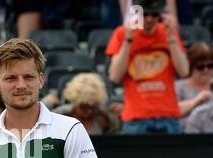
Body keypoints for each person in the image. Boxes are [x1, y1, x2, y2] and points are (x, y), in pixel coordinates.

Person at [106, 0, 189, 134]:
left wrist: (171, 38)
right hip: (136, 117)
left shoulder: (168, 32)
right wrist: (128, 41)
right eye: (145, 14)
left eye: (154, 14)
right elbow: (115, 76)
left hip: (168, 114)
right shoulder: (122, 33)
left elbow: (184, 71)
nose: (149, 19)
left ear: (161, 14)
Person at [50, 73, 121, 135]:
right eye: (84, 107)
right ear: (75, 102)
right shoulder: (60, 116)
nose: (89, 111)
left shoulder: (103, 118)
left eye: (93, 107)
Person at [175, 42, 213, 131]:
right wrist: (194, 102)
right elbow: (171, 112)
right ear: (191, 66)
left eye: (210, 66)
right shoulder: (179, 87)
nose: (206, 70)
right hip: (186, 136)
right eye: (200, 67)